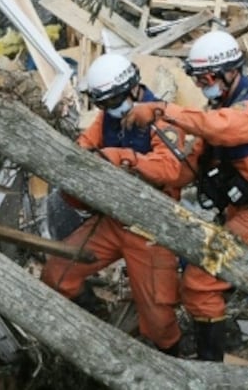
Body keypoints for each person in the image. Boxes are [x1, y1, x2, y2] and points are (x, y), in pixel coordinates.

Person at [124, 30, 248, 362]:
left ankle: (210, 366)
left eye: (206, 79)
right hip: (247, 208)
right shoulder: (221, 106)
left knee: (200, 283)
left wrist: (160, 110)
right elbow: (190, 166)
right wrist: (138, 164)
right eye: (199, 81)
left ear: (229, 72)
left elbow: (218, 127)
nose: (203, 87)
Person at [40, 54, 195, 355]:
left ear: (133, 89)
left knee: (158, 317)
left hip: (151, 227)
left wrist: (126, 158)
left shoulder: (162, 118)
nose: (108, 110)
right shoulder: (107, 117)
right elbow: (86, 144)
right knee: (57, 275)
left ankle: (175, 358)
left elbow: (171, 169)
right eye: (103, 105)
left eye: (112, 103)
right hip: (111, 220)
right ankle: (92, 318)